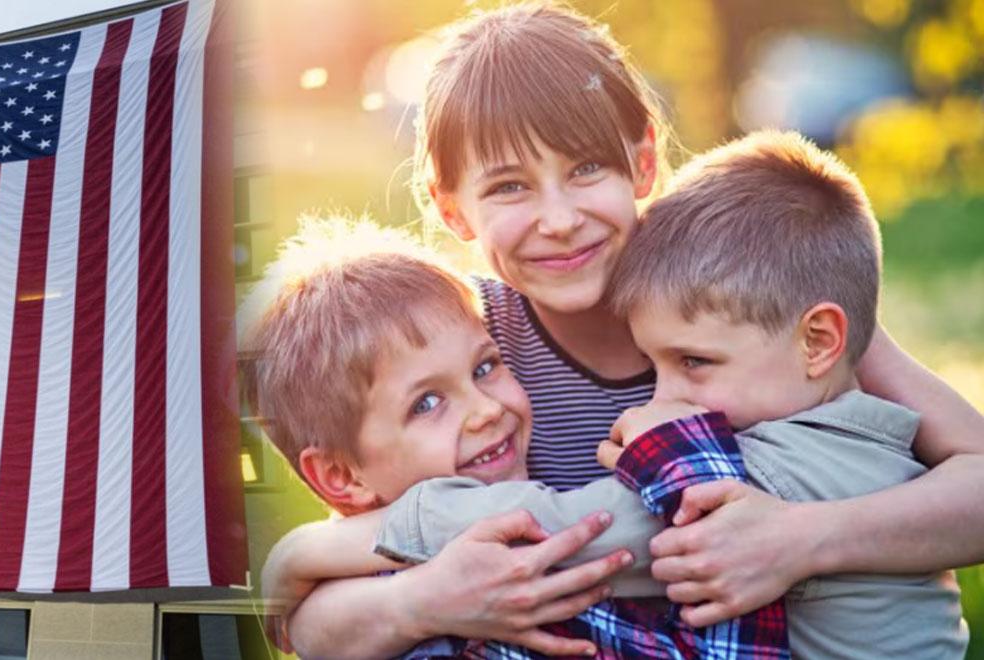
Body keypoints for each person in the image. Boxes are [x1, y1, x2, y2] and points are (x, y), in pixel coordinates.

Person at [266, 3, 984, 658]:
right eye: (510, 186)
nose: (559, 218)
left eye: (586, 168)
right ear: (452, 210)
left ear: (642, 160)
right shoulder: (466, 354)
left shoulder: (744, 300)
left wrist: (801, 540)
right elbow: (310, 628)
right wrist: (400, 593)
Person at [244, 217, 788, 658]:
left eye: (485, 368)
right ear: (342, 476)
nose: (485, 410)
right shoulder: (402, 607)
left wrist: (300, 554)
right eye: (426, 403)